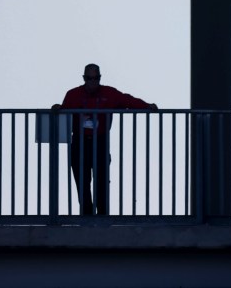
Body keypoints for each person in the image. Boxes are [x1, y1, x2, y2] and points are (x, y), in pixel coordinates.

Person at [52, 64, 157, 215]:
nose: (93, 81)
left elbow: (128, 100)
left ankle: (102, 218)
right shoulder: (73, 94)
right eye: (90, 78)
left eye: (96, 78)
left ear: (100, 78)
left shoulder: (109, 93)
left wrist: (147, 106)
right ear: (84, 78)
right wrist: (57, 108)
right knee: (82, 184)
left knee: (101, 183)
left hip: (100, 142)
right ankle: (86, 219)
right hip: (80, 143)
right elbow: (62, 111)